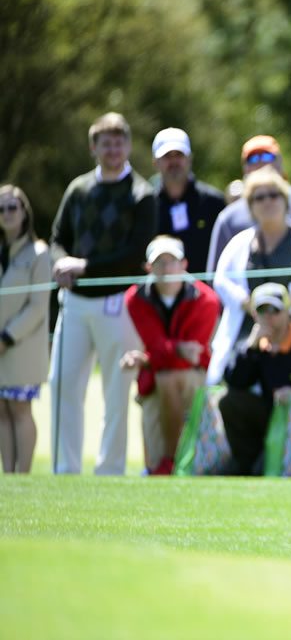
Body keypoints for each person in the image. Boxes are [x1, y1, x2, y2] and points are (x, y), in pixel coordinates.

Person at [49, 112, 157, 475]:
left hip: (117, 303)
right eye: (106, 144)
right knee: (62, 384)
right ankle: (65, 469)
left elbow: (135, 252)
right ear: (93, 148)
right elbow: (57, 238)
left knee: (116, 390)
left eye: (119, 143)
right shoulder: (78, 189)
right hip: (75, 302)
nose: (113, 150)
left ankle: (110, 470)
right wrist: (61, 264)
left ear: (128, 146)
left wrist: (84, 266)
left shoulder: (142, 194)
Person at [121, 236, 220, 475]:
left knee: (168, 378)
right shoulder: (135, 298)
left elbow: (192, 355)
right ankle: (163, 462)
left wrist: (148, 359)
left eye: (173, 261)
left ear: (184, 264)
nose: (167, 269)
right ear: (148, 267)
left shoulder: (206, 300)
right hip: (155, 377)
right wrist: (173, 350)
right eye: (160, 262)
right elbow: (158, 345)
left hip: (194, 377)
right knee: (153, 464)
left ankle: (171, 460)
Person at [219, 283, 291, 476]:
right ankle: (245, 464)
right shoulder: (255, 346)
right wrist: (250, 347)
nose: (268, 316)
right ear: (254, 314)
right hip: (269, 419)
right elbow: (234, 381)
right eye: (262, 310)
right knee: (230, 401)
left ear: (288, 311)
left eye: (275, 310)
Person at [207, 166, 291, 384]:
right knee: (234, 387)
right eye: (259, 197)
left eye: (274, 195)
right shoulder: (240, 242)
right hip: (248, 331)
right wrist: (245, 302)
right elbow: (221, 279)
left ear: (285, 200)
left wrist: (284, 307)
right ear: (250, 206)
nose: (267, 201)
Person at [0, 185, 50, 473]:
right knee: (2, 409)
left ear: (24, 212)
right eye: (1, 209)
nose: (6, 214)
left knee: (19, 408)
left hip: (23, 346)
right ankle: (8, 475)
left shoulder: (39, 253)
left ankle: (24, 475)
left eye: (12, 207)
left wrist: (8, 337)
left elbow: (38, 305)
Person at [205, 135, 291, 273]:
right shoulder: (229, 218)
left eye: (267, 156)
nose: (261, 163)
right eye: (253, 159)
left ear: (280, 162)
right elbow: (216, 275)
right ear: (244, 168)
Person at [149, 128, 225, 269]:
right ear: (155, 162)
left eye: (179, 155)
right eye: (167, 156)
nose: (174, 162)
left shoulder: (215, 203)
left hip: (208, 283)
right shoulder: (146, 205)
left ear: (189, 159)